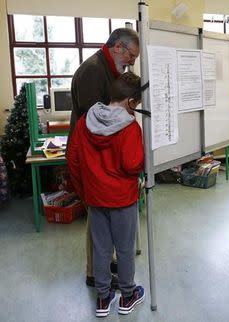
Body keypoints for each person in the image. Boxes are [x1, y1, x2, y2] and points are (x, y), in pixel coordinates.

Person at [67, 72, 145, 317]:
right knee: (124, 249)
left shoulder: (85, 121)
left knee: (101, 249)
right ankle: (128, 294)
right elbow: (132, 164)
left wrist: (84, 193)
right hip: (122, 199)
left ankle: (103, 298)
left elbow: (73, 158)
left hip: (95, 199)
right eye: (137, 105)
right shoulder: (130, 128)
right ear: (130, 101)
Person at [69, 27, 140, 287]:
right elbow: (94, 122)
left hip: (100, 159)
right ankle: (93, 273)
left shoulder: (108, 68)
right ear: (118, 47)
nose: (132, 62)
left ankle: (104, 266)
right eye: (131, 55)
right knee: (96, 218)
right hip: (92, 157)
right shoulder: (93, 70)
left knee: (101, 220)